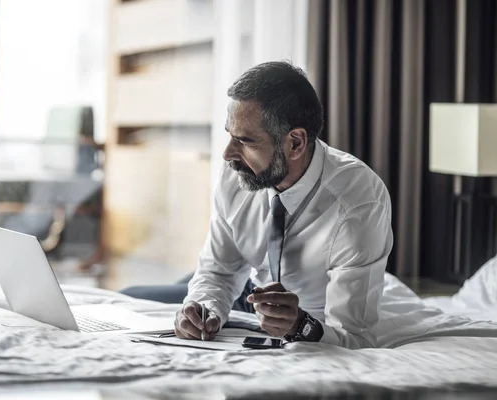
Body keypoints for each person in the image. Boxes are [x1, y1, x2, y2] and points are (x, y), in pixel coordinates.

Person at [121, 61, 393, 349]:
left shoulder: (358, 204)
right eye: (229, 135)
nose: (227, 155)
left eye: (244, 140)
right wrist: (203, 310)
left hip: (305, 312)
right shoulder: (238, 175)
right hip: (248, 288)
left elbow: (355, 337)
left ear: (296, 143)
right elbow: (218, 272)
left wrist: (301, 325)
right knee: (131, 296)